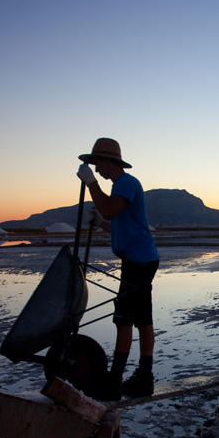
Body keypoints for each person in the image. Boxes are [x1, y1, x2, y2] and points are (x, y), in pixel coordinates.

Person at [76, 138, 159, 399]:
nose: (96, 169)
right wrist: (100, 223)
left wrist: (91, 183)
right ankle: (143, 379)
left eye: (96, 164)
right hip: (141, 259)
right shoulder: (121, 188)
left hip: (138, 261)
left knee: (123, 318)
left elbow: (111, 210)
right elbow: (119, 223)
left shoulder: (126, 183)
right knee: (143, 319)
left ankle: (114, 382)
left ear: (106, 161)